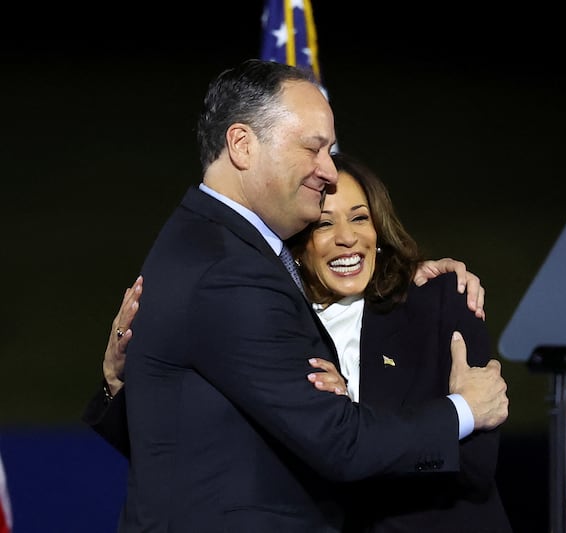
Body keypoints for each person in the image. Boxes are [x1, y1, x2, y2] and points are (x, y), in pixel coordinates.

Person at [95, 58, 508, 532]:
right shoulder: (231, 270)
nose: (328, 170)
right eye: (313, 149)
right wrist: (465, 410)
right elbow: (339, 444)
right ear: (242, 145)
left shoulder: (213, 242)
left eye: (330, 151)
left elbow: (203, 424)